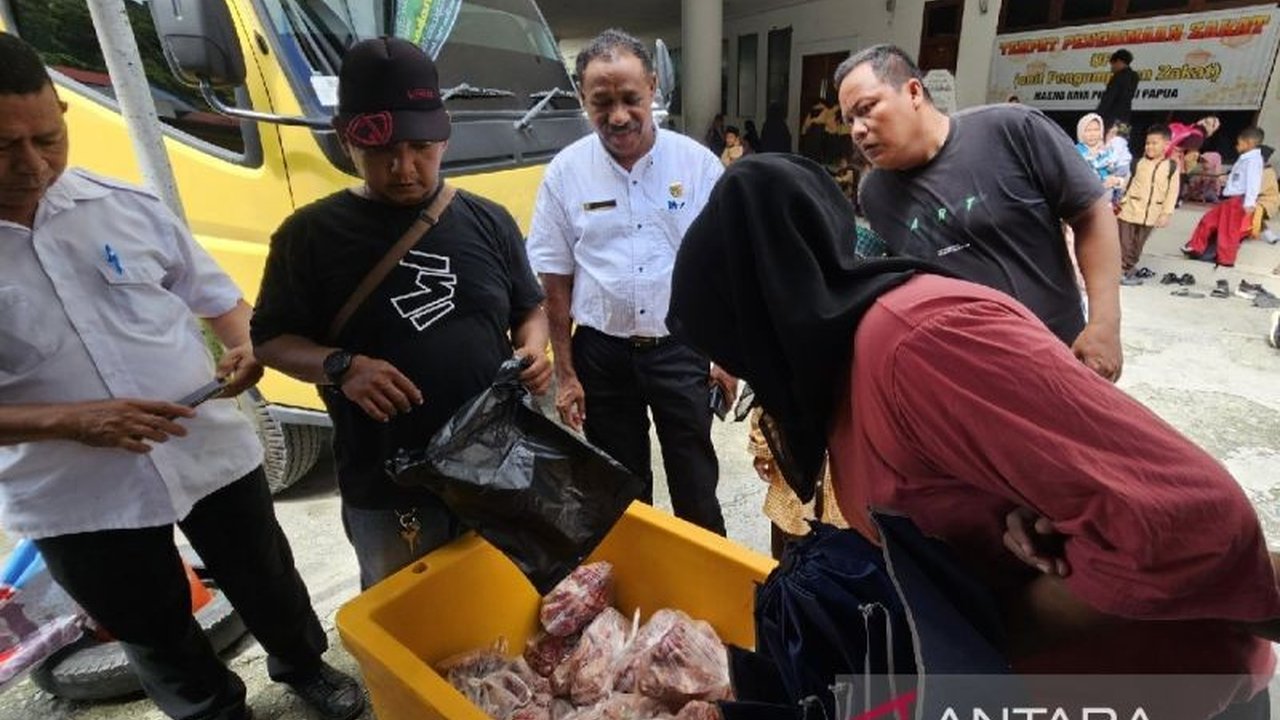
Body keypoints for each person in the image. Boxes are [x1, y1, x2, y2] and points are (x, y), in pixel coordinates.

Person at [667, 154, 1280, 720]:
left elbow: (1193, 523)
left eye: (737, 347)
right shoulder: (847, 375)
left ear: (770, 312)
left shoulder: (919, 345)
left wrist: (1011, 617)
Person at [0, 32, 362, 720]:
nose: (32, 165)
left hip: (205, 448)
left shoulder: (121, 205)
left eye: (47, 139)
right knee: (148, 621)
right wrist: (70, 422)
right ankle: (213, 712)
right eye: (1, 148)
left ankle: (305, 667)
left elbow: (218, 297)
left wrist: (246, 346)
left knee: (267, 579)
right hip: (74, 492)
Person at [251, 37, 550, 589]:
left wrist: (535, 348)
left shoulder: (489, 220)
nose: (404, 167)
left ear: (443, 136)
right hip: (388, 485)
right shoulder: (309, 236)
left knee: (503, 591)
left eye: (420, 147)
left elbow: (528, 308)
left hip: (496, 464)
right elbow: (269, 339)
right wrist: (342, 366)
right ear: (347, 140)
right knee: (408, 608)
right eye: (382, 150)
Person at [527, 28, 732, 535]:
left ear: (654, 88)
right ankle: (642, 588)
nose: (618, 116)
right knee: (622, 491)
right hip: (601, 355)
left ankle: (710, 591)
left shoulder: (698, 165)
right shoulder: (565, 174)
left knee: (696, 487)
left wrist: (726, 357)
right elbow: (555, 286)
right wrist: (567, 375)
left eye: (630, 99)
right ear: (583, 99)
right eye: (602, 102)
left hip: (681, 348)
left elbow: (727, 268)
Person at [837, 44, 1124, 382]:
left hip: (1060, 354)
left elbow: (1091, 213)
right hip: (966, 378)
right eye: (850, 120)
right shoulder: (875, 195)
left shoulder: (1012, 130)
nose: (857, 129)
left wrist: (1104, 324)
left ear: (913, 91)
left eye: (867, 108)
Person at [1183, 126, 1266, 267]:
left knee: (1228, 231)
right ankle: (1196, 247)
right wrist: (1226, 179)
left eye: (1239, 143)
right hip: (1228, 199)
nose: (1236, 146)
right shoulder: (1244, 159)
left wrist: (1249, 203)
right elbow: (1238, 179)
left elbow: (1253, 183)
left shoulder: (1253, 160)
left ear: (1249, 143)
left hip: (1238, 200)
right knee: (1208, 220)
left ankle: (1226, 260)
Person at [1117, 124, 1179, 281]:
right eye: (1147, 143)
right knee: (1124, 243)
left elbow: (1172, 192)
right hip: (1129, 211)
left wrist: (1166, 213)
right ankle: (1120, 270)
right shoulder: (1137, 163)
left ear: (1166, 144)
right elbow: (1126, 184)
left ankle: (1129, 268)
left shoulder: (1171, 167)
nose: (1149, 146)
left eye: (1154, 143)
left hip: (1151, 214)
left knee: (1138, 245)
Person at [1096, 48, 1139, 127]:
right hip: (1125, 117)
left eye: (1113, 64)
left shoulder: (1118, 77)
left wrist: (1097, 115)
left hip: (1111, 118)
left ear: (1119, 61)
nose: (1112, 67)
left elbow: (1109, 98)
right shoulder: (1134, 76)